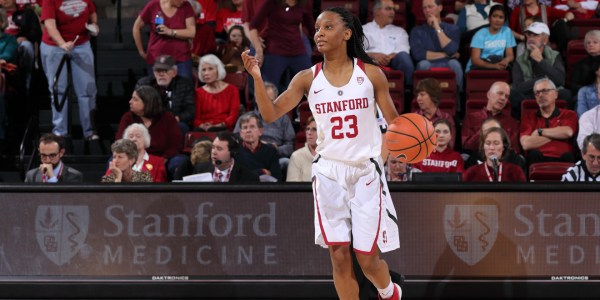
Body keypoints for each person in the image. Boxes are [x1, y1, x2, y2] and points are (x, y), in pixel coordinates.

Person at [242, 6, 402, 300]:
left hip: (366, 170)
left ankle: (390, 291)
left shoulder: (371, 75)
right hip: (328, 171)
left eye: (327, 27)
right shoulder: (307, 78)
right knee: (339, 256)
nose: (319, 34)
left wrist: (389, 155)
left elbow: (397, 126)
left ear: (347, 33)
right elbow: (270, 112)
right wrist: (255, 76)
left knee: (367, 259)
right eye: (316, 29)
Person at [40, 0, 99, 140]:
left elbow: (92, 13)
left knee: (87, 90)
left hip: (81, 44)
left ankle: (89, 131)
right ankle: (60, 131)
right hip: (54, 46)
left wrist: (94, 26)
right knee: (58, 90)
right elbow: (49, 25)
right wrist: (62, 43)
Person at [115, 85, 185, 177]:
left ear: (147, 102)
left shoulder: (167, 118)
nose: (130, 102)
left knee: (179, 161)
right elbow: (120, 143)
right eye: (131, 98)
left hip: (162, 158)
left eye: (135, 99)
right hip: (133, 158)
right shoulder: (128, 118)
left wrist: (163, 159)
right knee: (113, 161)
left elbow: (176, 144)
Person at [248, 0, 314, 90]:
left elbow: (312, 28)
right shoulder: (271, 3)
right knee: (269, 89)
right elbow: (253, 26)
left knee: (313, 84)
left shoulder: (304, 3)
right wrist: (258, 49)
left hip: (297, 50)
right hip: (275, 51)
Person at [510, 22, 571, 116]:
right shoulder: (519, 60)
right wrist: (541, 80)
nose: (531, 38)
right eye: (529, 35)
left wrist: (541, 61)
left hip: (550, 92)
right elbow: (518, 87)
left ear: (545, 40)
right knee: (513, 95)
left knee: (565, 94)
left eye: (536, 35)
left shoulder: (555, 55)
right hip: (530, 94)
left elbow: (560, 80)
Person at [520, 78, 578, 165]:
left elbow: (568, 132)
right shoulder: (529, 116)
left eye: (545, 91)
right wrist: (557, 134)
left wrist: (539, 131)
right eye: (537, 93)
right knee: (533, 155)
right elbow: (526, 144)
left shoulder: (569, 114)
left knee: (569, 157)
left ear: (555, 94)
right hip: (537, 158)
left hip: (563, 158)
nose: (540, 95)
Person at [234, 83, 295, 166]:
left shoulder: (283, 119)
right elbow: (235, 141)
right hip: (249, 155)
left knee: (286, 162)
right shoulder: (244, 119)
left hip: (274, 156)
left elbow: (290, 146)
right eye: (262, 99)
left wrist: (275, 149)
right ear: (256, 99)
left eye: (269, 100)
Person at [133, 0, 196, 79]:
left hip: (181, 59)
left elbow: (191, 32)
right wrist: (141, 52)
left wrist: (170, 32)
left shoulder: (186, 6)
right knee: (157, 90)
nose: (184, 1)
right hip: (157, 59)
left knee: (184, 89)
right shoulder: (153, 5)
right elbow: (136, 27)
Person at [410, 0, 463, 92]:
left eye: (430, 7)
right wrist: (446, 55)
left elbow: (451, 49)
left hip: (448, 63)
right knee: (423, 64)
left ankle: (457, 97)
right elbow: (418, 54)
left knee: (455, 64)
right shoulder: (417, 30)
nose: (427, 10)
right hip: (428, 63)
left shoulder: (453, 28)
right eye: (424, 8)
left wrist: (437, 27)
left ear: (440, 8)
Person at [136, 54, 196, 135]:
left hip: (175, 121)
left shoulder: (185, 84)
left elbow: (190, 110)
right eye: (158, 70)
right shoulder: (144, 84)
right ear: (153, 72)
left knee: (180, 127)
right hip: (151, 120)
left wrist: (177, 118)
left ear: (174, 72)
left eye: (165, 70)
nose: (161, 74)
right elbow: (137, 107)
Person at [363, 0, 414, 86]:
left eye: (393, 9)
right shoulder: (363, 30)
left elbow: (404, 50)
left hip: (393, 61)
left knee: (404, 57)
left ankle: (408, 90)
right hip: (370, 61)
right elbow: (357, 50)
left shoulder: (399, 31)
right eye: (388, 9)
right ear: (377, 11)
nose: (392, 12)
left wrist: (388, 57)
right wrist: (373, 55)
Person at [462, 81, 520, 154]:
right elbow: (467, 147)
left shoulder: (513, 123)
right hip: (478, 157)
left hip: (503, 159)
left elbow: (514, 150)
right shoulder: (471, 118)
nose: (503, 98)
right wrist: (484, 131)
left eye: (506, 96)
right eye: (500, 93)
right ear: (489, 94)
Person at [185, 131, 259, 182]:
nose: (214, 152)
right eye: (213, 147)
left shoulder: (248, 177)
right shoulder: (200, 169)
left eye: (219, 149)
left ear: (232, 153)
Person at [2, 0, 41, 94]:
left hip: (20, 42)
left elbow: (36, 32)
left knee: (26, 46)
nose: (5, 1)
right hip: (3, 43)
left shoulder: (26, 12)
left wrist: (24, 36)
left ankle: (26, 83)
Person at [193, 54, 239, 131]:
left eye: (210, 69)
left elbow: (233, 116)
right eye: (203, 70)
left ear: (218, 70)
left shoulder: (232, 90)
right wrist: (202, 125)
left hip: (224, 127)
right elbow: (196, 118)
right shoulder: (198, 92)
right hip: (204, 128)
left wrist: (219, 125)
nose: (206, 73)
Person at [463, 126, 527, 182]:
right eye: (488, 143)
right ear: (483, 146)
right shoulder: (471, 172)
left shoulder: (515, 171)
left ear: (504, 147)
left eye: (496, 143)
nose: (491, 147)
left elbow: (523, 195)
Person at [509, 0, 573, 54]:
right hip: (525, 43)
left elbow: (570, 14)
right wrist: (521, 37)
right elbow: (510, 31)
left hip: (544, 43)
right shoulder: (517, 10)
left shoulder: (546, 9)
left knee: (561, 24)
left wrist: (565, 20)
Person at [466, 4, 516, 72]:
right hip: (480, 67)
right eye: (494, 16)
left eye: (501, 17)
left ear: (504, 21)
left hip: (498, 63)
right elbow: (475, 60)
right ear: (489, 18)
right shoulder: (480, 34)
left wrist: (505, 61)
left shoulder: (507, 31)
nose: (497, 20)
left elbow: (510, 55)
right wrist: (494, 66)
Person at [236, 113, 282, 181]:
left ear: (260, 131)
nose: (248, 130)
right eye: (245, 127)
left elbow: (277, 179)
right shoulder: (235, 152)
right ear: (241, 133)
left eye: (252, 127)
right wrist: (261, 172)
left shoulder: (271, 151)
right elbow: (236, 179)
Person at [414, 77, 456, 148]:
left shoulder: (446, 118)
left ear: (433, 96)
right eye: (417, 95)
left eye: (422, 94)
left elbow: (450, 145)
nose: (418, 99)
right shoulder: (414, 118)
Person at [570, 30, 600, 98]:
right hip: (585, 96)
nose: (591, 44)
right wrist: (589, 91)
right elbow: (573, 86)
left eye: (595, 42)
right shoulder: (580, 64)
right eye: (588, 43)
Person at [286, 115, 317, 182]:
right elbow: (293, 188)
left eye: (314, 129)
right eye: (307, 129)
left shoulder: (330, 157)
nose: (309, 133)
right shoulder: (296, 157)